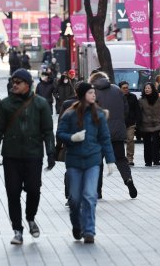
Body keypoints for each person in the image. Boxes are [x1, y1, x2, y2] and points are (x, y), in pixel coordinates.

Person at [0, 68, 55, 245]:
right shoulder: (5, 104)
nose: (14, 85)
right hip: (11, 155)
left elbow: (48, 131)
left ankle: (30, 217)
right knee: (12, 192)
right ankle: (17, 229)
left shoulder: (40, 104)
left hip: (34, 155)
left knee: (34, 189)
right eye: (13, 82)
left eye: (18, 82)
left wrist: (51, 153)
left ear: (28, 84)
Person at [56, 82, 116, 244]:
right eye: (90, 92)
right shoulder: (70, 114)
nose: (94, 95)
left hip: (93, 161)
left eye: (94, 92)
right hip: (74, 161)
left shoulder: (99, 114)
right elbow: (60, 133)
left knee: (90, 195)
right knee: (74, 199)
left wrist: (110, 160)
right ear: (83, 95)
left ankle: (89, 230)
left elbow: (105, 138)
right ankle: (77, 225)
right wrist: (72, 138)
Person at [91, 72, 138, 198]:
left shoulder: (93, 92)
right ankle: (128, 180)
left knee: (97, 162)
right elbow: (125, 110)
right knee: (121, 159)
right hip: (117, 132)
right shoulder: (117, 90)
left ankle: (97, 191)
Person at [138, 82, 160, 166]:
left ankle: (156, 159)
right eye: (145, 88)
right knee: (147, 143)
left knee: (156, 142)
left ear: (152, 89)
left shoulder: (158, 99)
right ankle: (148, 161)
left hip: (157, 123)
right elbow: (139, 112)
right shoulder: (141, 100)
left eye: (149, 88)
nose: (147, 89)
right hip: (145, 124)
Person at [119, 81, 140, 166]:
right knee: (119, 141)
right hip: (120, 122)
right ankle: (120, 158)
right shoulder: (117, 97)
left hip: (130, 122)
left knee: (130, 140)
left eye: (127, 87)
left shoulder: (133, 97)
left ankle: (130, 158)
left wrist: (137, 120)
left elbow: (137, 109)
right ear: (120, 88)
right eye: (124, 88)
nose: (126, 89)